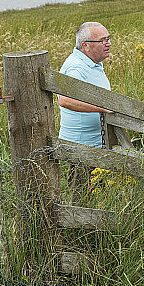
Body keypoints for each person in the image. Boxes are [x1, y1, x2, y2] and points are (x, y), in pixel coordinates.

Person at [57, 22, 113, 200]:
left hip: (97, 144)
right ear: (85, 45)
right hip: (81, 148)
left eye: (108, 38)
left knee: (99, 196)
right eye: (102, 40)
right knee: (82, 198)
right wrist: (101, 109)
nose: (108, 43)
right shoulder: (77, 67)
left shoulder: (92, 62)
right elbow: (64, 100)